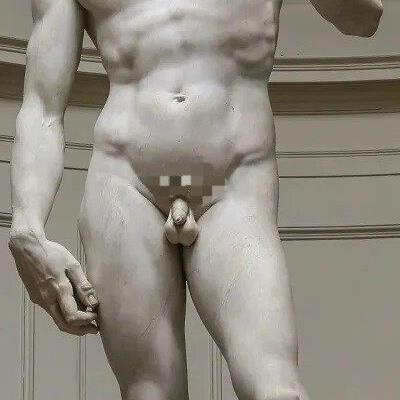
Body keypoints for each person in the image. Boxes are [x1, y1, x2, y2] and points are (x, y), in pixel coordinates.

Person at [8, 0, 382, 399]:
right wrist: (27, 225)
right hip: (127, 182)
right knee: (150, 393)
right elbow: (43, 106)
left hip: (231, 183)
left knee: (276, 388)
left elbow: (364, 18)